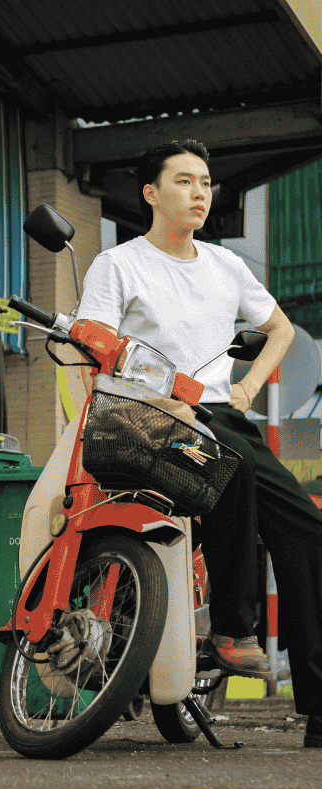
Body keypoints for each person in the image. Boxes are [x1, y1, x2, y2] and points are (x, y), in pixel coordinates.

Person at [75, 140, 322, 748]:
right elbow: (93, 342)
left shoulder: (225, 266)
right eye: (185, 181)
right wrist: (154, 393)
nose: (200, 192)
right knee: (228, 468)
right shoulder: (118, 265)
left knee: (307, 529)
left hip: (217, 414)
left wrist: (246, 389)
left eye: (207, 183)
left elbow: (281, 329)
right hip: (147, 417)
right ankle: (235, 630)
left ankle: (320, 705)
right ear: (152, 194)